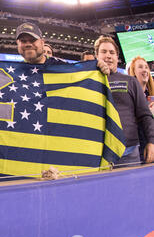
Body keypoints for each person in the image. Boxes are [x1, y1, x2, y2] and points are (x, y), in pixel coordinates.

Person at [94, 35, 154, 166]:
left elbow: (145, 114)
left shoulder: (130, 81)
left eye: (112, 52)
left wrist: (151, 141)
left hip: (129, 152)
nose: (108, 56)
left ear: (117, 57)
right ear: (96, 56)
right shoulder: (90, 81)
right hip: (98, 152)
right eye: (103, 52)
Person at [15, 22, 109, 75]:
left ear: (42, 43)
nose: (28, 44)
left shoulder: (62, 66)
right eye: (23, 41)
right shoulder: (14, 72)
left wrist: (97, 67)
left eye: (32, 40)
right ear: (17, 44)